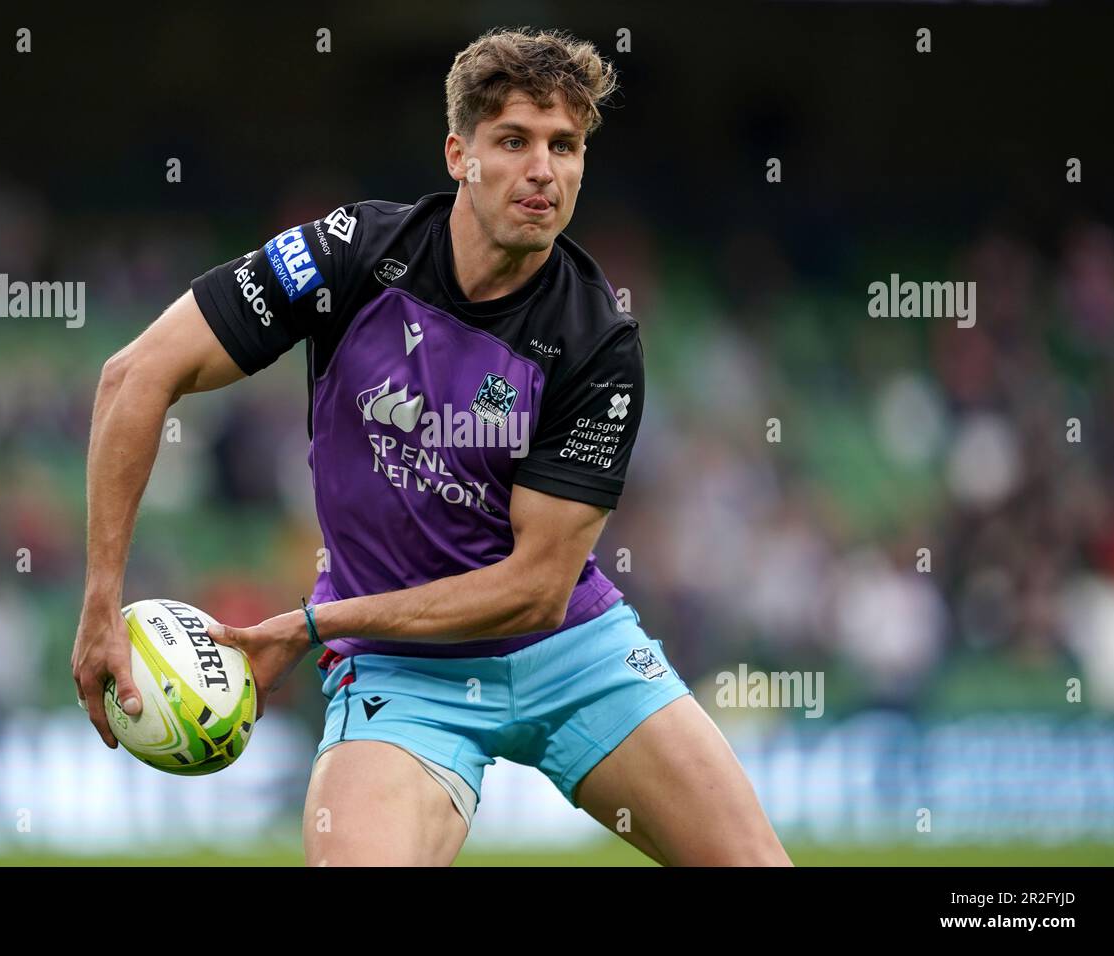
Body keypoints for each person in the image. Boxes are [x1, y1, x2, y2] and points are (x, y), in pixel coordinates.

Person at [72, 26, 791, 867]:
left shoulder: (598, 339)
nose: (543, 171)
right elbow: (135, 378)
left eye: (565, 146)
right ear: (459, 154)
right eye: (514, 141)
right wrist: (99, 600)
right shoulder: (348, 255)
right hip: (400, 675)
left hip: (572, 656)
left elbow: (533, 593)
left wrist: (313, 626)